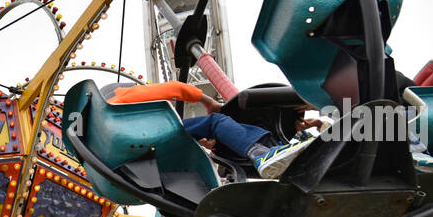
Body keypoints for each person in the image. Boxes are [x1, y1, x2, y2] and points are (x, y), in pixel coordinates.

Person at [108, 81, 320, 180]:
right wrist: (207, 100)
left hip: (133, 162)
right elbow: (173, 88)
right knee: (216, 121)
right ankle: (261, 154)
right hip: (144, 137)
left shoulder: (101, 133)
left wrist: (199, 143)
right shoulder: (121, 96)